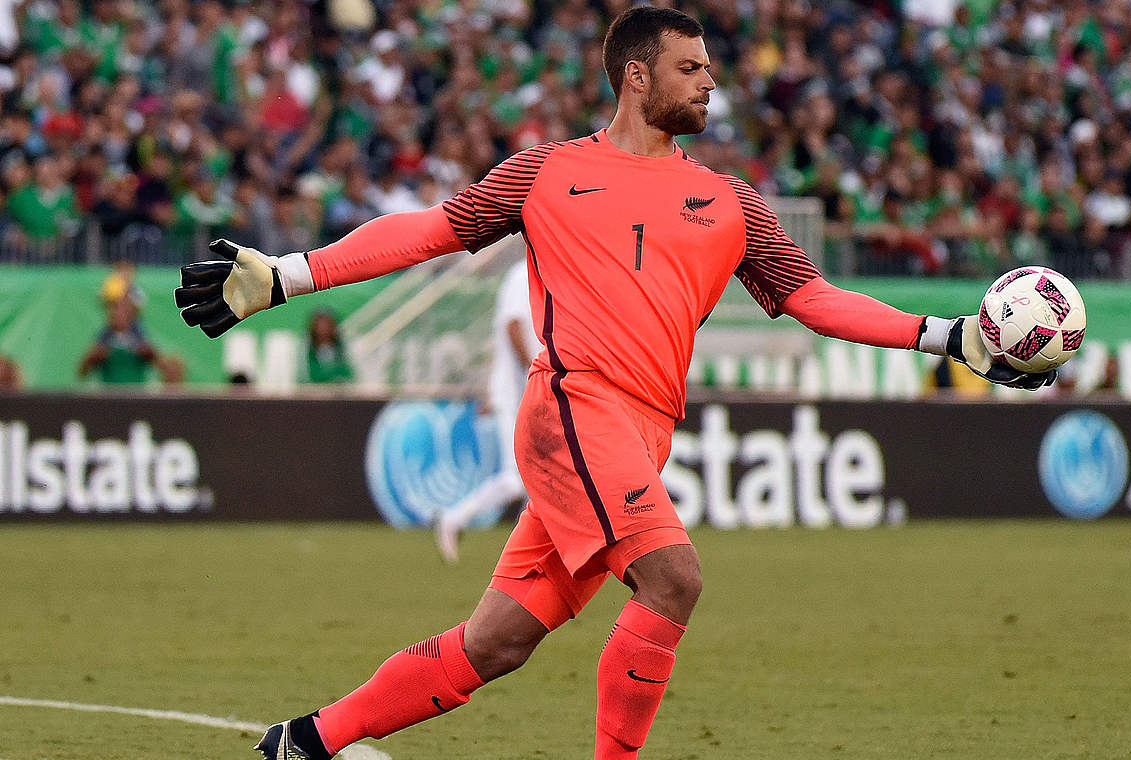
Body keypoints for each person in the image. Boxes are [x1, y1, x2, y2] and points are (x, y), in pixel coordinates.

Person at [173, 9, 1054, 760]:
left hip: (637, 436)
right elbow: (429, 231)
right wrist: (289, 275)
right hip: (572, 409)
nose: (710, 81)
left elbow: (814, 299)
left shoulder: (732, 202)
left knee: (497, 643)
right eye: (690, 67)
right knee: (674, 580)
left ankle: (306, 741)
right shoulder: (545, 172)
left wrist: (953, 337)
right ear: (636, 77)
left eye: (710, 66)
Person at [436, 258, 541, 562]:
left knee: (541, 477)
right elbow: (513, 325)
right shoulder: (522, 273)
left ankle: (533, 552)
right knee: (516, 480)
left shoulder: (546, 274)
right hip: (516, 392)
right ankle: (455, 517)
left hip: (533, 391)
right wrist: (534, 373)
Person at [77, 294, 158, 385]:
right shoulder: (103, 338)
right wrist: (94, 356)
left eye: (123, 308)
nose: (118, 313)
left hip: (136, 394)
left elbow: (158, 362)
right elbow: (82, 371)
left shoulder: (140, 337)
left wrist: (148, 352)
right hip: (110, 395)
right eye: (115, 308)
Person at [304, 309, 354, 384]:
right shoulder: (305, 351)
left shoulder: (344, 350)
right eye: (319, 325)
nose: (323, 329)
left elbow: (349, 374)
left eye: (327, 325)